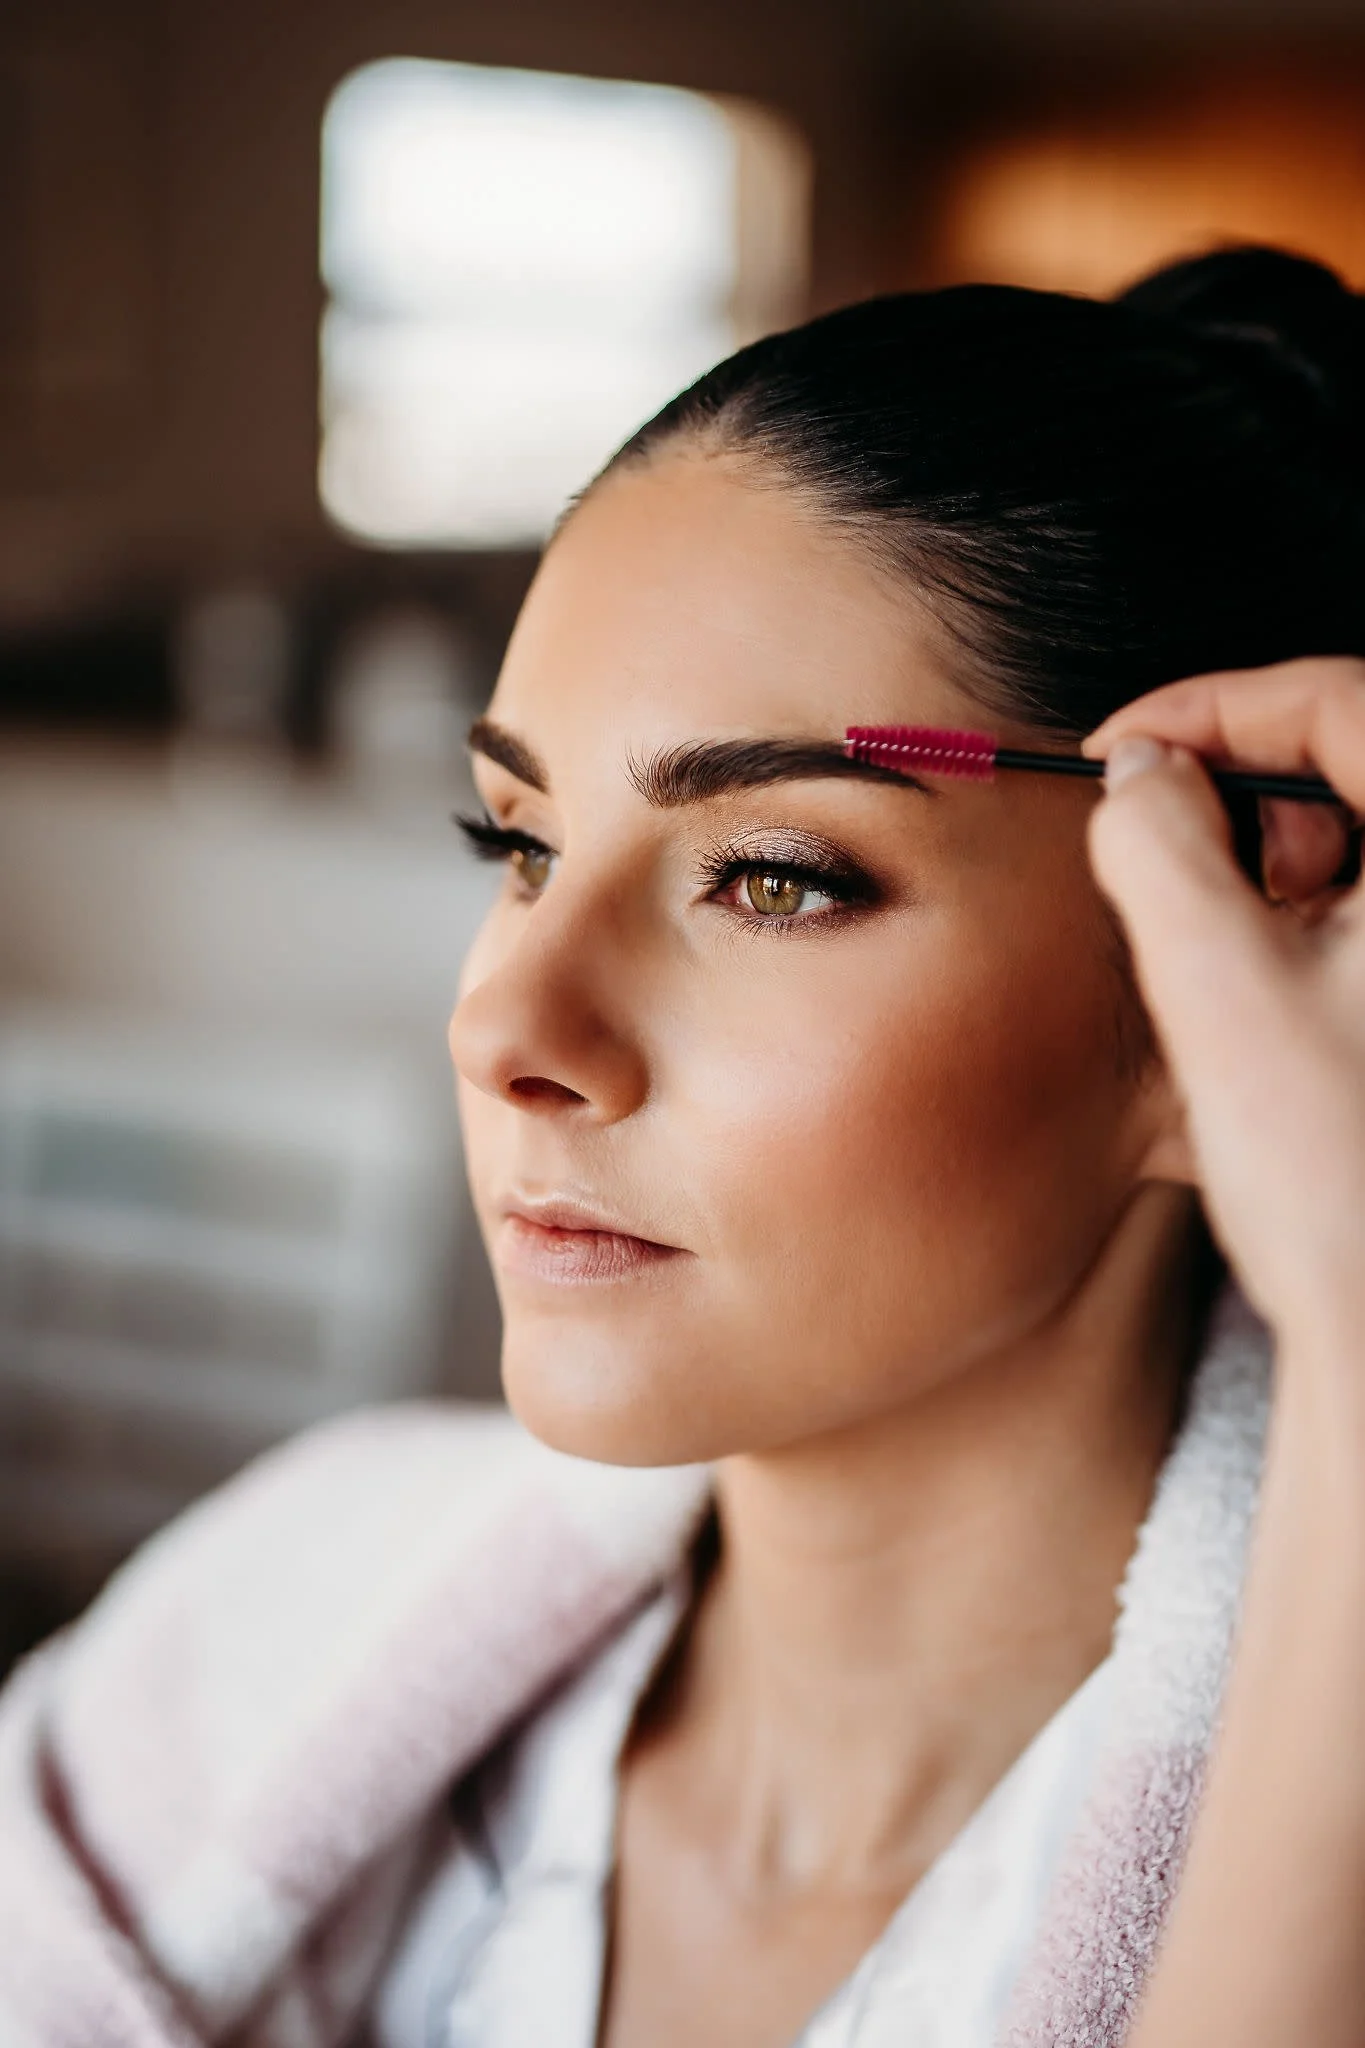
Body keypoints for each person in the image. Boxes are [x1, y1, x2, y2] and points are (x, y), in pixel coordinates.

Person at [1, 247, 1362, 2048]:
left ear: (1239, 964)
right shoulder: (237, 1650)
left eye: (772, 878)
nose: (507, 1029)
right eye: (521, 846)